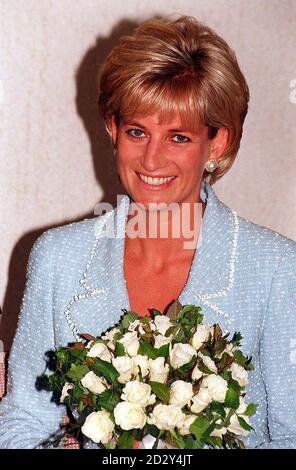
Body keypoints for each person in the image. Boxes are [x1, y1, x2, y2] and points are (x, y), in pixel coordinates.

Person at [0, 15, 295, 449]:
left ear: (216, 144)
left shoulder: (275, 269)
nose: (151, 160)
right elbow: (22, 422)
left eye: (178, 138)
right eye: (138, 132)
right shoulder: (57, 258)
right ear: (114, 129)